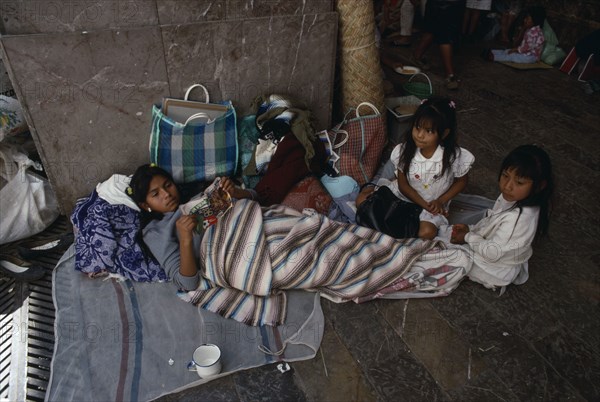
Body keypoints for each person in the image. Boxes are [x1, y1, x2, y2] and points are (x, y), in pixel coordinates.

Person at [356, 97, 474, 240]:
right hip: (402, 197)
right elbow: (403, 185)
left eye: (428, 131)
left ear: (444, 134)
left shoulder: (452, 156)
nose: (420, 135)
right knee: (361, 201)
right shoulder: (405, 150)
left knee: (427, 232)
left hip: (432, 206)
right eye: (417, 127)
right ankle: (375, 192)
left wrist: (441, 201)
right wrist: (423, 204)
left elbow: (462, 181)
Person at [447, 144, 554, 289]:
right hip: (490, 247)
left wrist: (467, 237)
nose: (507, 186)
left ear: (540, 186)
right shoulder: (512, 196)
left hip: (495, 268)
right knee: (444, 237)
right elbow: (491, 219)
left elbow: (493, 252)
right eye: (505, 176)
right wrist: (471, 229)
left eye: (519, 182)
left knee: (444, 256)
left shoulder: (520, 219)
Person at [411, 0, 463, 89]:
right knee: (444, 37)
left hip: (436, 4)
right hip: (446, 4)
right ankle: (450, 75)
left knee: (431, 31)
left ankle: (417, 56)